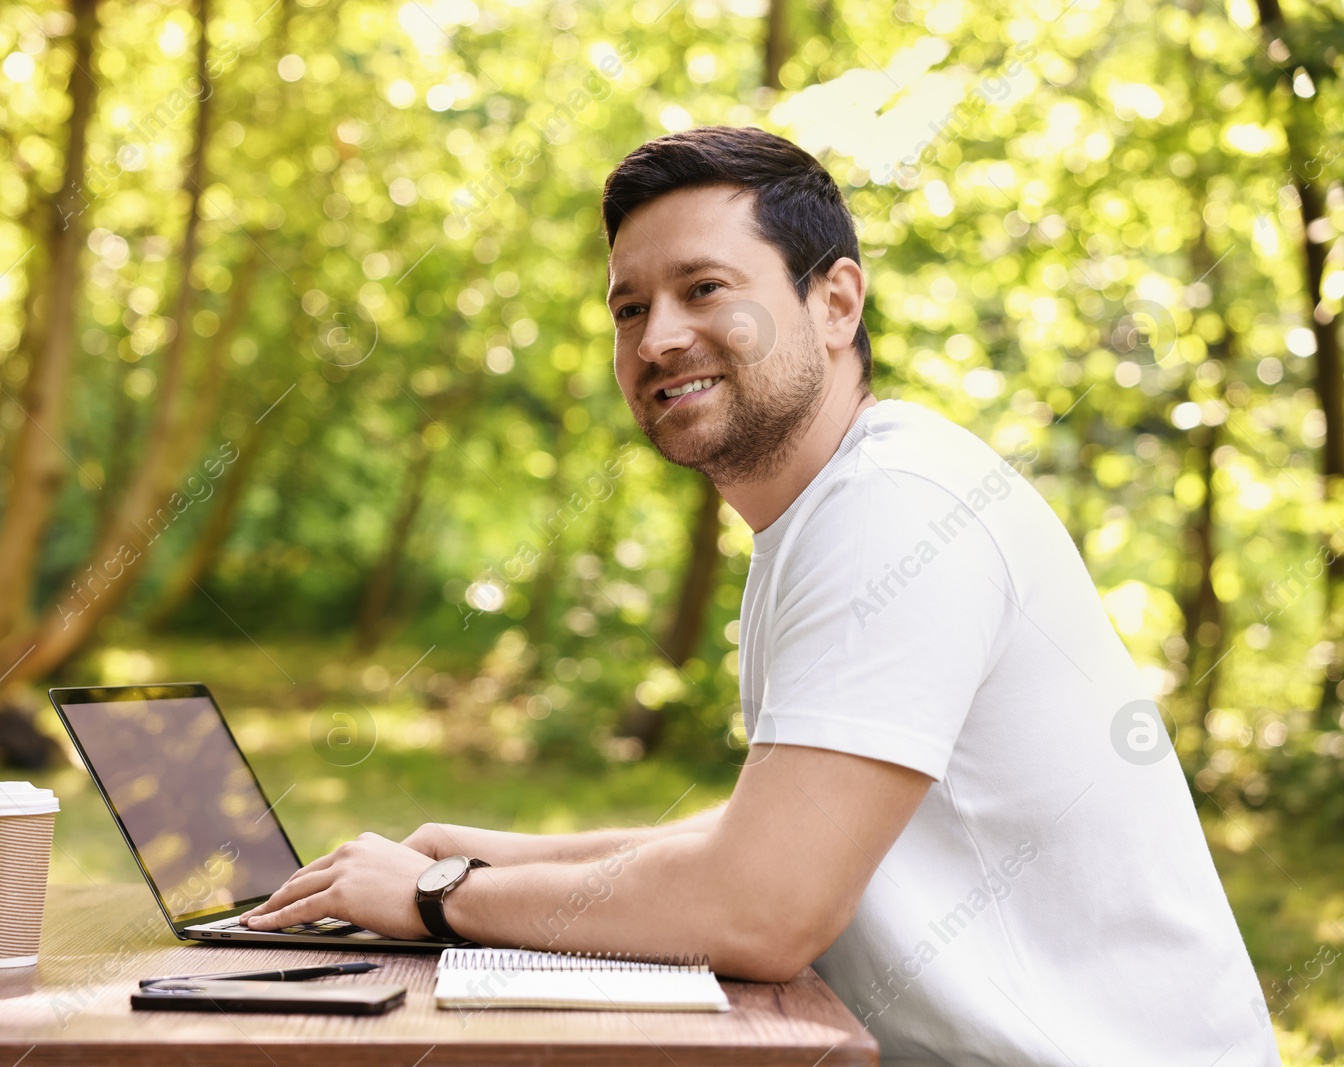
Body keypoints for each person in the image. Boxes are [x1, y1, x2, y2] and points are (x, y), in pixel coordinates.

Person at [243, 126, 1280, 1065]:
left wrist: (436, 900)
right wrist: (484, 852)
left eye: (703, 289)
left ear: (835, 303)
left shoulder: (897, 509)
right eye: (630, 307)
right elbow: (763, 838)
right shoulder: (833, 511)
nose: (656, 339)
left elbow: (764, 905)